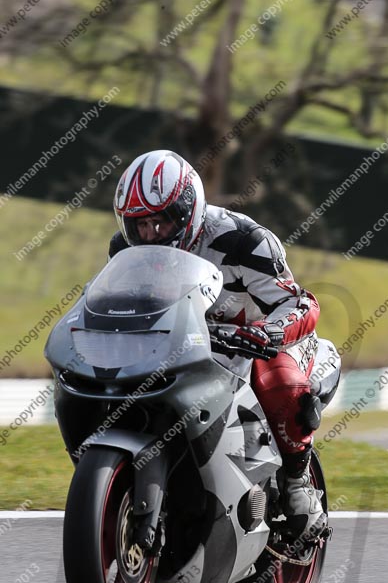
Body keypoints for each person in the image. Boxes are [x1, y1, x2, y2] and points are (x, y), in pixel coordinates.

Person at [110, 149, 326, 540]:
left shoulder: (244, 241)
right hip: (189, 348)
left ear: (187, 209)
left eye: (160, 222)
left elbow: (300, 303)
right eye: (138, 225)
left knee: (279, 380)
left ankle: (297, 486)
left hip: (258, 342)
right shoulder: (127, 250)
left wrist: (269, 333)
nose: (150, 235)